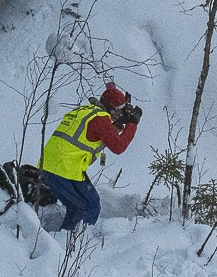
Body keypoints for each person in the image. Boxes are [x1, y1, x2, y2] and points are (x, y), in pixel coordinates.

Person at [39, 83, 141, 232]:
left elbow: (94, 134)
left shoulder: (86, 111)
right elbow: (118, 146)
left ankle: (65, 238)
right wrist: (132, 124)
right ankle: (74, 242)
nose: (121, 114)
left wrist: (115, 125)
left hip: (50, 165)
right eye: (120, 110)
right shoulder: (101, 118)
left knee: (77, 206)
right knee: (90, 205)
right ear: (112, 109)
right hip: (63, 169)